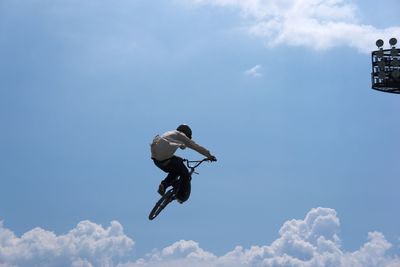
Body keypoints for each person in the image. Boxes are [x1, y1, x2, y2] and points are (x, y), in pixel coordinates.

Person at [150, 124, 216, 203]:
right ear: (186, 133)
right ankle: (180, 196)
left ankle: (164, 185)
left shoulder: (169, 133)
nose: (188, 138)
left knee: (175, 171)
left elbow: (165, 150)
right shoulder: (181, 135)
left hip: (157, 161)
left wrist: (179, 159)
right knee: (185, 175)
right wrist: (209, 155)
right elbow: (196, 146)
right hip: (165, 159)